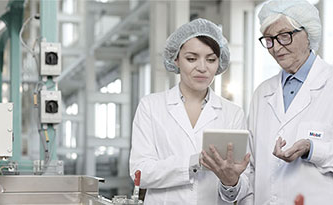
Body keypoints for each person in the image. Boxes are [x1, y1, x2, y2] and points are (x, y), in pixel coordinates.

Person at [129, 18, 250, 205]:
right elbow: (140, 172)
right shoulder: (151, 106)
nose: (202, 67)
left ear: (219, 62)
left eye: (211, 59)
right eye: (191, 58)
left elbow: (239, 188)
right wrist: (194, 162)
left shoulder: (233, 113)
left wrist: (230, 181)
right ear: (176, 59)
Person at [230, 0, 333, 204]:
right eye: (269, 40)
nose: (276, 48)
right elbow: (250, 167)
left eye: (284, 36)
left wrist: (312, 148)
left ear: (308, 33)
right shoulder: (262, 93)